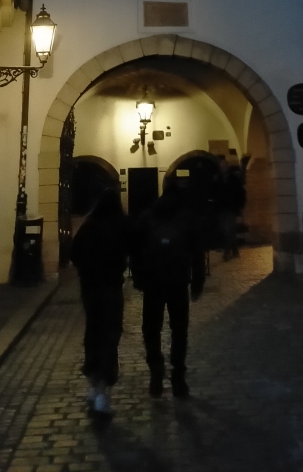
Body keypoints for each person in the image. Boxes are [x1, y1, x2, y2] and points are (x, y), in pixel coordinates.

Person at [130, 178, 206, 399]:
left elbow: (135, 250)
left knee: (151, 328)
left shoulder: (147, 216)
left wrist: (138, 277)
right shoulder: (187, 217)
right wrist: (198, 280)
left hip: (153, 282)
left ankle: (156, 370)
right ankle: (178, 377)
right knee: (179, 330)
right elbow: (197, 252)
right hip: (178, 282)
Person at [70, 187, 130, 416]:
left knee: (93, 333)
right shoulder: (120, 226)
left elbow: (74, 253)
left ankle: (94, 383)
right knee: (110, 335)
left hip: (91, 290)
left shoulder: (89, 226)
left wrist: (87, 271)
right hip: (111, 288)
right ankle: (103, 388)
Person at [217, 164, 246, 260]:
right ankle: (235, 251)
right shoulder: (219, 179)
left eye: (224, 167)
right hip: (222, 208)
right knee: (229, 230)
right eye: (221, 167)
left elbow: (240, 193)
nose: (222, 169)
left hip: (231, 208)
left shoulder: (234, 179)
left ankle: (227, 252)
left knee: (228, 230)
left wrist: (240, 207)